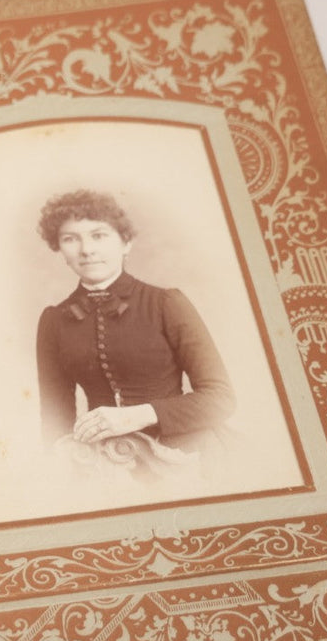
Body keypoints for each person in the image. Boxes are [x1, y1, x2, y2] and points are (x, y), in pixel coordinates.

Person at [33, 190, 234, 478]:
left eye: (99, 235)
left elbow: (221, 399)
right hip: (101, 467)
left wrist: (136, 415)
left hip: (185, 459)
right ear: (60, 249)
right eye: (70, 238)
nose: (86, 249)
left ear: (126, 243)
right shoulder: (54, 320)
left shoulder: (166, 303)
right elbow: (55, 424)